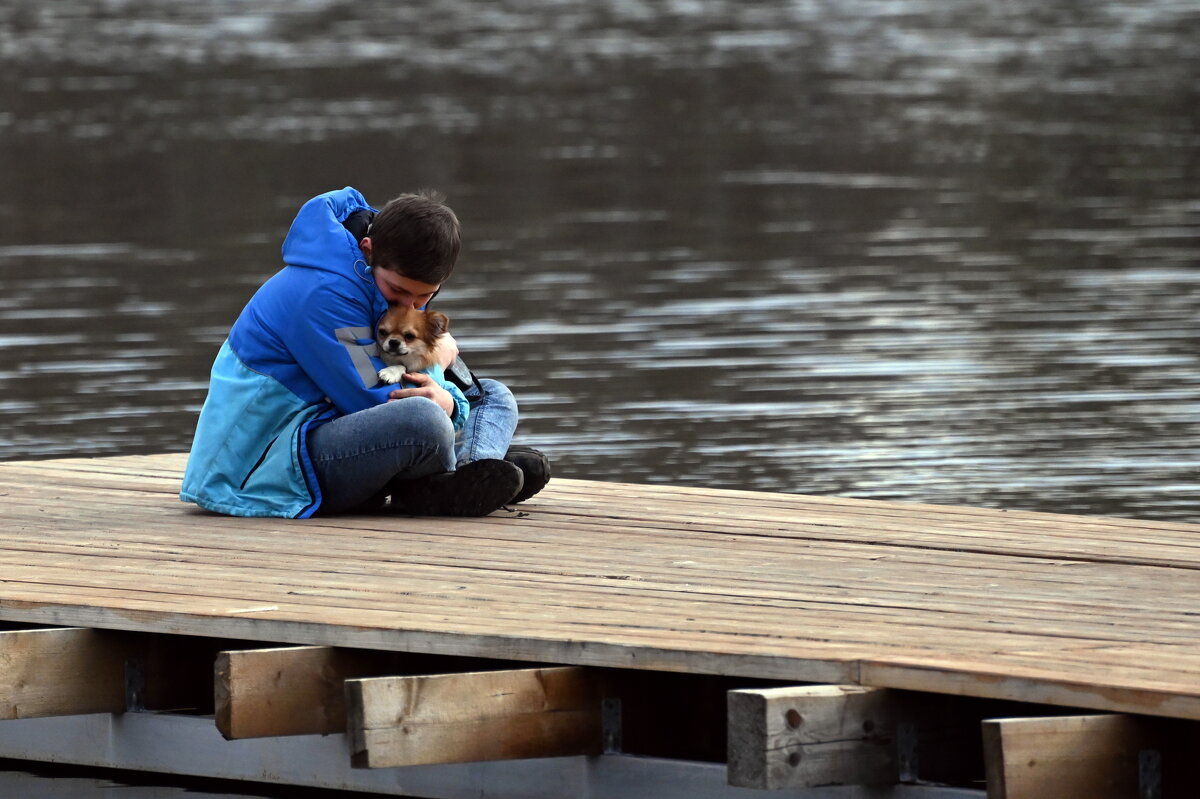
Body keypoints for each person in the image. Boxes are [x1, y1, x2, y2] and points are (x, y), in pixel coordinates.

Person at [180, 186, 549, 518]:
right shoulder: (325, 293)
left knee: (494, 395)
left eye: (426, 296)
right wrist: (448, 381)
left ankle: (475, 473)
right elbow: (374, 398)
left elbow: (412, 374)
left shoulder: (373, 276)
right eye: (399, 292)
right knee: (423, 419)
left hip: (333, 422)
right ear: (367, 249)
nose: (411, 305)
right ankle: (445, 481)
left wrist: (453, 394)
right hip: (269, 462)